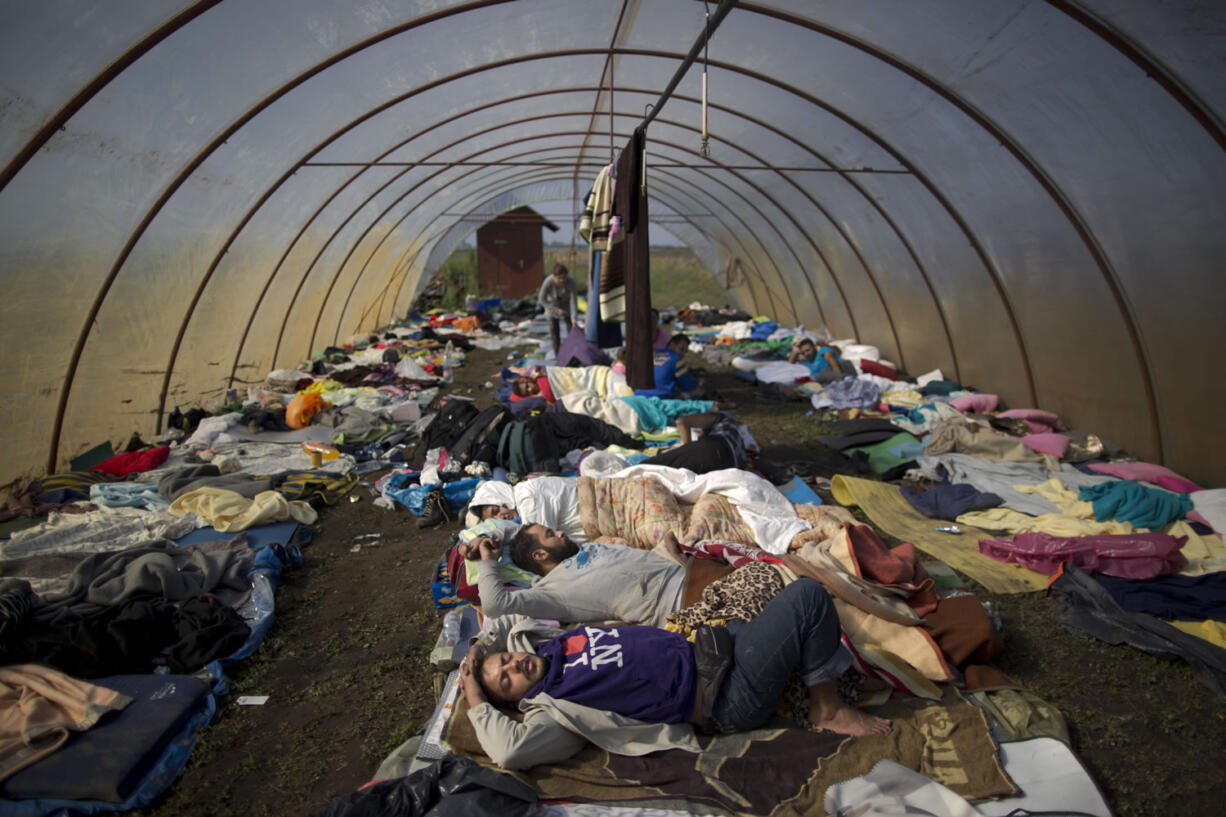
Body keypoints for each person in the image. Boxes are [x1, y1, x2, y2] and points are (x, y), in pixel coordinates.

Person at [458, 578, 892, 770]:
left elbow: (504, 624)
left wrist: (480, 653)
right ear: (516, 700)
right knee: (808, 597)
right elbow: (509, 751)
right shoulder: (557, 709)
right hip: (726, 694)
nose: (514, 665)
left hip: (715, 648)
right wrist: (475, 694)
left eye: (508, 661)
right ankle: (828, 709)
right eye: (507, 679)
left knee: (761, 579)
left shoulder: (543, 646)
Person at [643, 411, 756, 474]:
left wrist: (686, 449)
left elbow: (681, 422)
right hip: (728, 470)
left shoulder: (723, 418)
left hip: (715, 449)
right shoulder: (735, 439)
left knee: (646, 466)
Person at [635, 334, 705, 399]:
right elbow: (688, 385)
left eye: (685, 351)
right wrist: (698, 383)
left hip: (638, 394)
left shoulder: (653, 352)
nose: (683, 354)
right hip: (659, 397)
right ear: (671, 345)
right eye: (681, 349)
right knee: (697, 392)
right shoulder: (676, 359)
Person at [537, 263, 579, 355]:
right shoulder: (548, 282)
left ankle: (572, 354)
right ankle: (558, 355)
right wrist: (556, 310)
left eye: (564, 277)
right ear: (554, 277)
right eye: (560, 278)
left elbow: (573, 302)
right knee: (555, 333)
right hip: (552, 306)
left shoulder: (571, 282)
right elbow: (542, 299)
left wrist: (574, 318)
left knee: (572, 330)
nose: (562, 280)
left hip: (566, 305)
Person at [788, 338, 853, 383]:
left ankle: (845, 379)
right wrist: (795, 352)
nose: (806, 354)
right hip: (829, 378)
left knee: (822, 374)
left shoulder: (823, 352)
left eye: (808, 350)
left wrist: (841, 380)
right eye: (803, 353)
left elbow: (835, 366)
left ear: (814, 347)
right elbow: (788, 367)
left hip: (843, 369)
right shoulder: (806, 364)